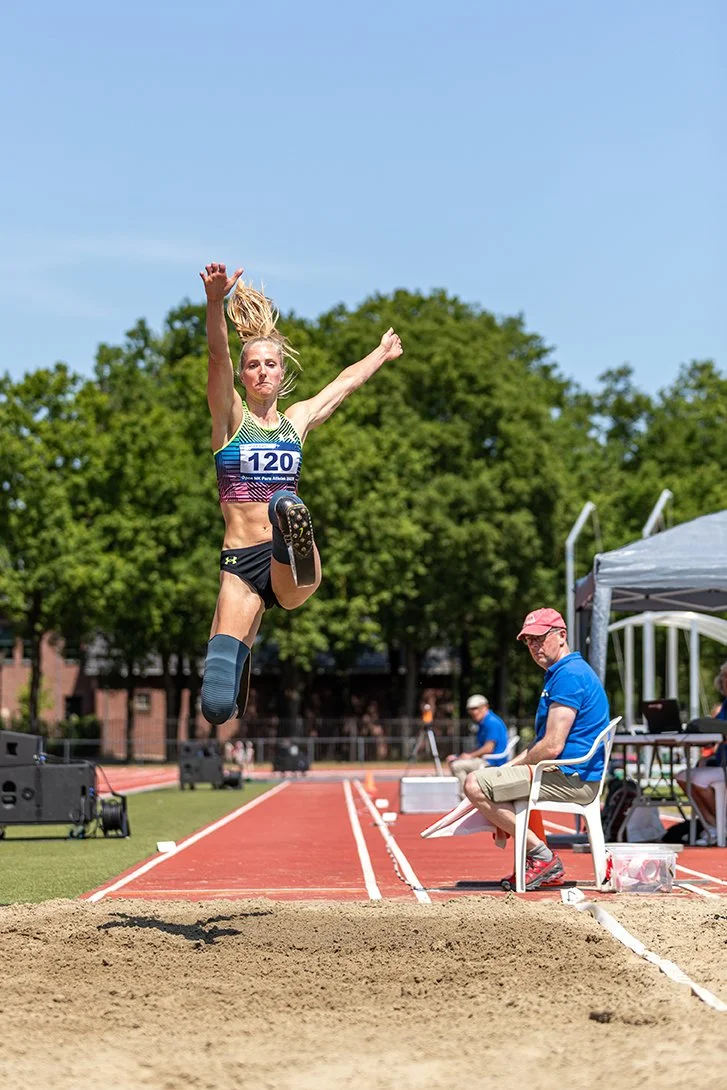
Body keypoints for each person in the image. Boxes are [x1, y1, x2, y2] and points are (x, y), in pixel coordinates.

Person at [198, 262, 403, 726]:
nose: (261, 372)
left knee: (284, 508)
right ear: (243, 376)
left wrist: (380, 353)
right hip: (240, 565)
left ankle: (293, 534)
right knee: (215, 706)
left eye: (270, 364)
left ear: (281, 371)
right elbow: (217, 358)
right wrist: (214, 302)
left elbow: (343, 385)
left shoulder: (297, 421)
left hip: (288, 560)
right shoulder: (230, 420)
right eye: (253, 365)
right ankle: (239, 656)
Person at [463, 608, 610, 890]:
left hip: (572, 778)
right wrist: (506, 769)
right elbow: (539, 744)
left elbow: (552, 746)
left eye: (540, 638)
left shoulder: (569, 675)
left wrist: (507, 772)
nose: (533, 646)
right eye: (529, 641)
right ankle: (536, 859)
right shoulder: (561, 673)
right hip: (565, 773)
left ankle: (542, 857)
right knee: (489, 779)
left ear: (562, 635)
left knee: (474, 784)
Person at [676, 660, 727, 844]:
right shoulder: (725, 705)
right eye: (723, 677)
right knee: (683, 776)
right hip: (721, 764)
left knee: (695, 778)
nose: (724, 681)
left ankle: (719, 825)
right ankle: (714, 825)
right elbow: (716, 733)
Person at [446, 694, 509, 795]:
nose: (472, 712)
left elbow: (489, 748)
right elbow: (482, 747)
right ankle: (471, 795)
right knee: (455, 761)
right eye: (470, 709)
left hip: (492, 761)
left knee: (456, 766)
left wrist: (470, 756)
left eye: (475, 708)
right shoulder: (484, 722)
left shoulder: (491, 722)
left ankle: (467, 797)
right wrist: (460, 756)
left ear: (485, 707)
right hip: (486, 758)